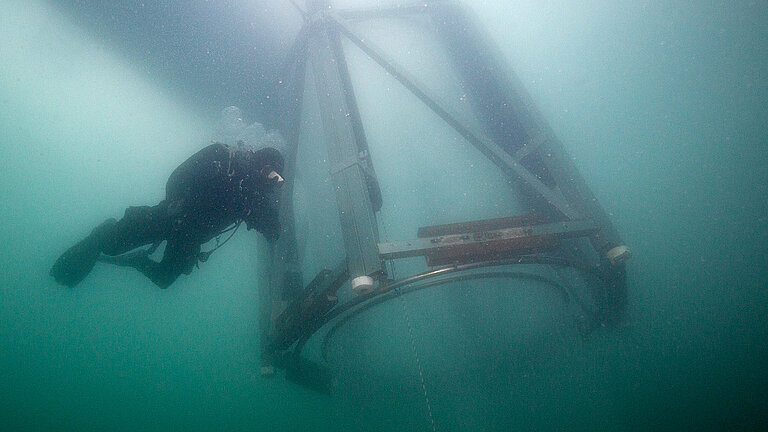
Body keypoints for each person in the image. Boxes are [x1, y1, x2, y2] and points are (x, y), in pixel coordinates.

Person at [50, 142, 285, 288]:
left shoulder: (251, 199)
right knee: (111, 245)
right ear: (257, 162)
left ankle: (138, 261)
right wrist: (179, 205)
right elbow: (178, 176)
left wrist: (271, 220)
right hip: (172, 218)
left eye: (277, 180)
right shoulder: (223, 159)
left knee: (163, 280)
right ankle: (101, 235)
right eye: (269, 172)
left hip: (190, 237)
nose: (270, 181)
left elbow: (272, 230)